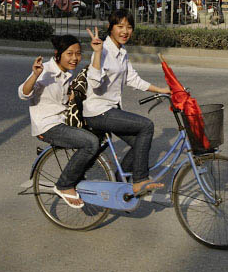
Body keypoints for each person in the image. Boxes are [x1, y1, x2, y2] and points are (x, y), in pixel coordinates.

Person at [84, 11, 170, 196]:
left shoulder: (121, 51)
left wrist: (162, 90)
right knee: (147, 126)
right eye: (120, 26)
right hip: (99, 111)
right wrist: (97, 54)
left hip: (111, 110)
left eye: (129, 27)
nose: (125, 31)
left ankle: (118, 184)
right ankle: (139, 180)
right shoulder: (103, 50)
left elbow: (133, 79)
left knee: (140, 141)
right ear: (110, 27)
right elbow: (94, 83)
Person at [18, 34, 99, 209]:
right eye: (69, 53)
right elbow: (23, 93)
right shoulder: (45, 71)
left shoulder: (67, 73)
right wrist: (35, 75)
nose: (74, 58)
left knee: (100, 133)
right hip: (48, 125)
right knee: (91, 142)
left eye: (78, 54)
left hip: (62, 121)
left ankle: (77, 174)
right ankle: (64, 184)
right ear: (58, 54)